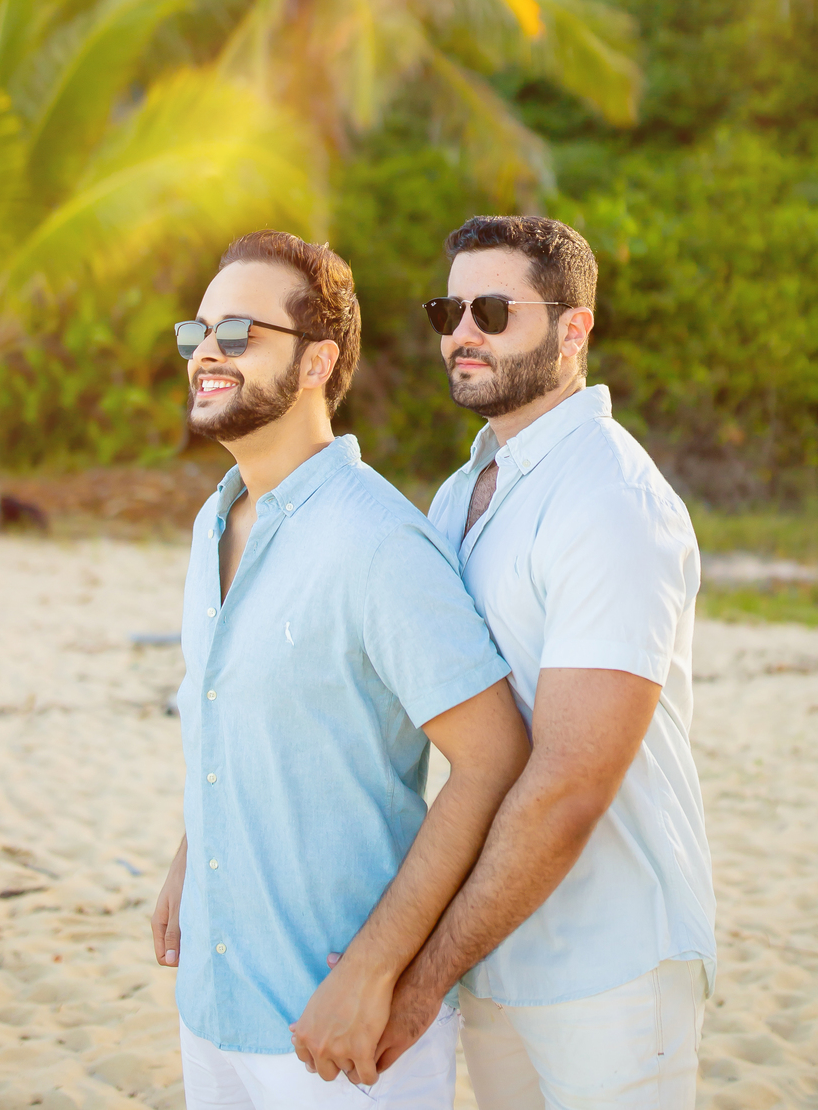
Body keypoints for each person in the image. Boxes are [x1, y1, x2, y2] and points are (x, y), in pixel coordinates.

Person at [298, 214, 716, 1110]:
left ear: (575, 329)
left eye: (493, 309)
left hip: (610, 962)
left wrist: (414, 980)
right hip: (495, 955)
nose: (462, 333)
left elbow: (568, 786)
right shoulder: (464, 490)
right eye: (448, 309)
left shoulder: (611, 502)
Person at [151, 229, 530, 1110]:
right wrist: (187, 855)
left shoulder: (378, 541)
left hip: (337, 1026)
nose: (207, 352)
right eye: (196, 333)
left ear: (318, 361)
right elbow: (242, 722)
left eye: (239, 334)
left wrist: (376, 967)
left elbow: (493, 759)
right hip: (213, 1010)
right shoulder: (214, 523)